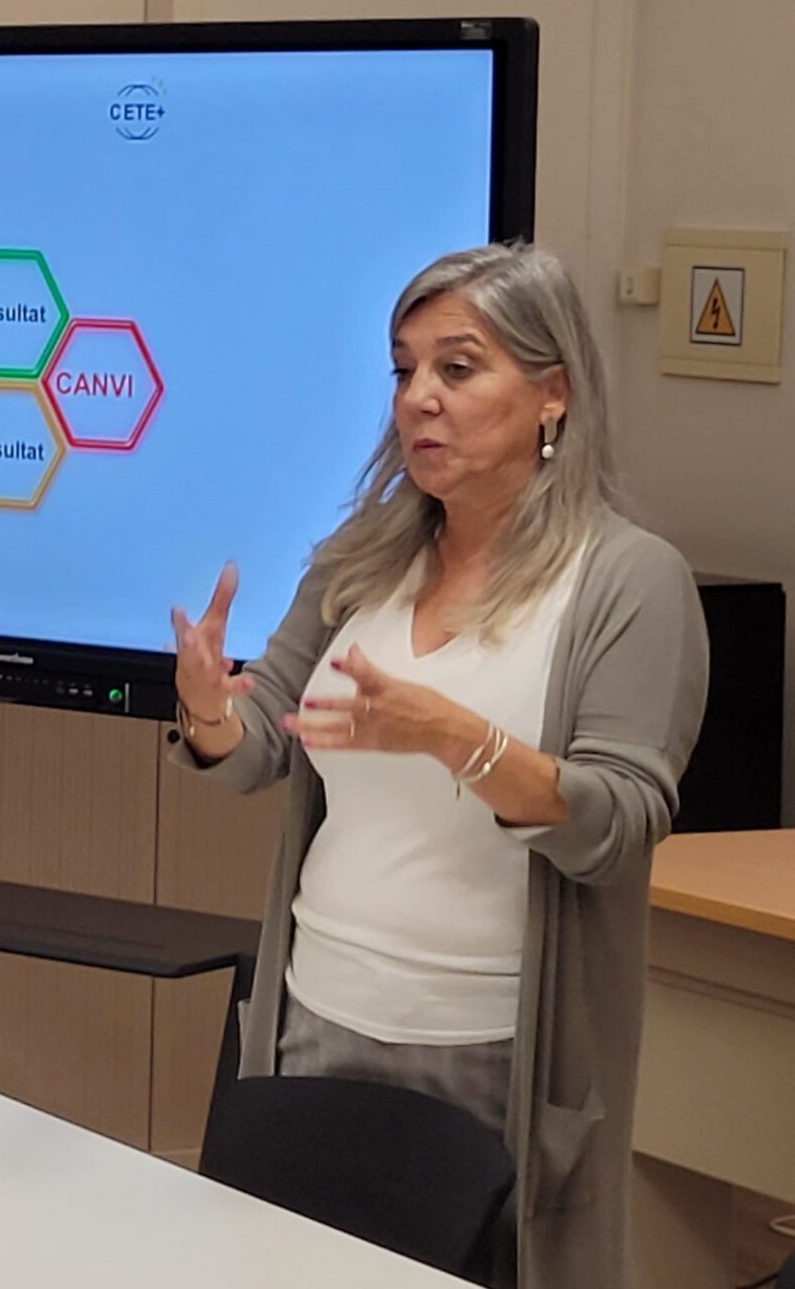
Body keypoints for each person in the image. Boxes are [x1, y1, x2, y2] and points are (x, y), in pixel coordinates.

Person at [168, 245, 706, 1289]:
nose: (420, 397)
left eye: (458, 369)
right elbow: (262, 741)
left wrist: (455, 736)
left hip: (492, 1050)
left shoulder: (628, 581)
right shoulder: (362, 557)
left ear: (552, 394)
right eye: (404, 368)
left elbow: (619, 820)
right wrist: (206, 707)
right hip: (315, 1014)